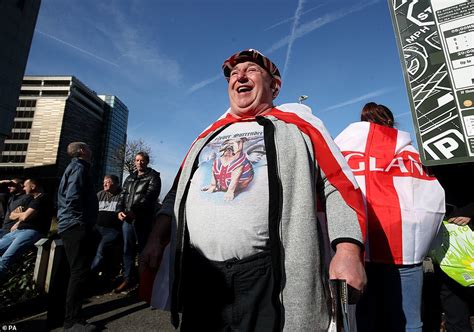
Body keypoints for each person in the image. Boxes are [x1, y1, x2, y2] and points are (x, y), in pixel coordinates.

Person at [141, 49, 367, 331]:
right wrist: (155, 238)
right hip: (201, 275)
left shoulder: (300, 128)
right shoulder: (208, 134)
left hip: (267, 276)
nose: (240, 77)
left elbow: (340, 185)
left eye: (251, 70)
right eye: (234, 74)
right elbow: (176, 194)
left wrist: (347, 250)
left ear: (274, 86)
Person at [334, 102, 445, 332]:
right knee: (409, 322)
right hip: (406, 252)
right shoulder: (411, 153)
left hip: (361, 251)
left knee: (365, 320)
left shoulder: (344, 150)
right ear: (391, 120)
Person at [426, 163, 474, 332]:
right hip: (448, 236)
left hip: (465, 225)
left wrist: (470, 210)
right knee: (452, 298)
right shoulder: (431, 154)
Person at [57, 142, 99, 332]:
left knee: (72, 272)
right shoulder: (79, 169)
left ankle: (65, 316)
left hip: (70, 225)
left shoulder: (74, 168)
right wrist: (82, 223)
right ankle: (72, 322)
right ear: (82, 151)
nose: (91, 150)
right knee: (79, 273)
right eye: (88, 148)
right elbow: (73, 199)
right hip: (76, 227)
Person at [116, 151, 161, 292]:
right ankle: (129, 279)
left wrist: (135, 211)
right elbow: (122, 195)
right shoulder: (129, 178)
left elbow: (150, 197)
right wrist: (119, 211)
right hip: (128, 220)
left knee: (144, 251)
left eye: (142, 160)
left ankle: (145, 282)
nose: (139, 162)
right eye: (137, 160)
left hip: (143, 220)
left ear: (147, 161)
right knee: (127, 250)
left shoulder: (153, 177)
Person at [0, 178, 53, 282]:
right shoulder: (32, 200)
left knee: (5, 260)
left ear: (32, 187)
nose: (23, 188)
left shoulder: (43, 199)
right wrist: (19, 217)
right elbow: (12, 215)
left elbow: (24, 217)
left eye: (25, 186)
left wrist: (20, 216)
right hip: (18, 231)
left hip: (31, 232)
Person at [91, 175, 122, 277]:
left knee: (101, 250)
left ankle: (91, 273)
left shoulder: (121, 196)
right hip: (98, 228)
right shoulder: (100, 194)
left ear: (115, 184)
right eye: (104, 182)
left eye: (108, 182)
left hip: (112, 230)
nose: (104, 184)